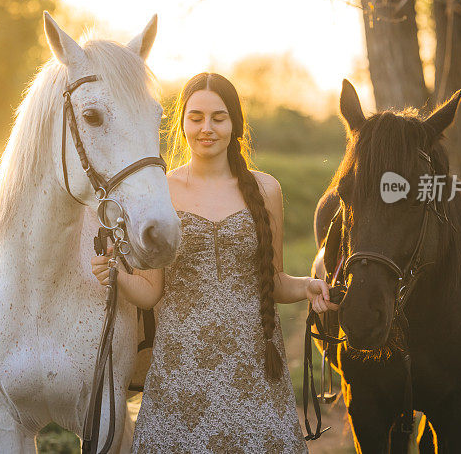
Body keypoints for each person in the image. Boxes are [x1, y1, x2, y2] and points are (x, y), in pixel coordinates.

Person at [90, 72, 336, 453]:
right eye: (196, 117)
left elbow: (275, 280)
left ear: (234, 123)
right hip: (181, 373)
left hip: (254, 371)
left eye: (218, 118)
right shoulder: (161, 192)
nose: (207, 128)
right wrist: (115, 276)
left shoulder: (266, 189)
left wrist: (307, 286)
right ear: (182, 123)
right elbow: (150, 292)